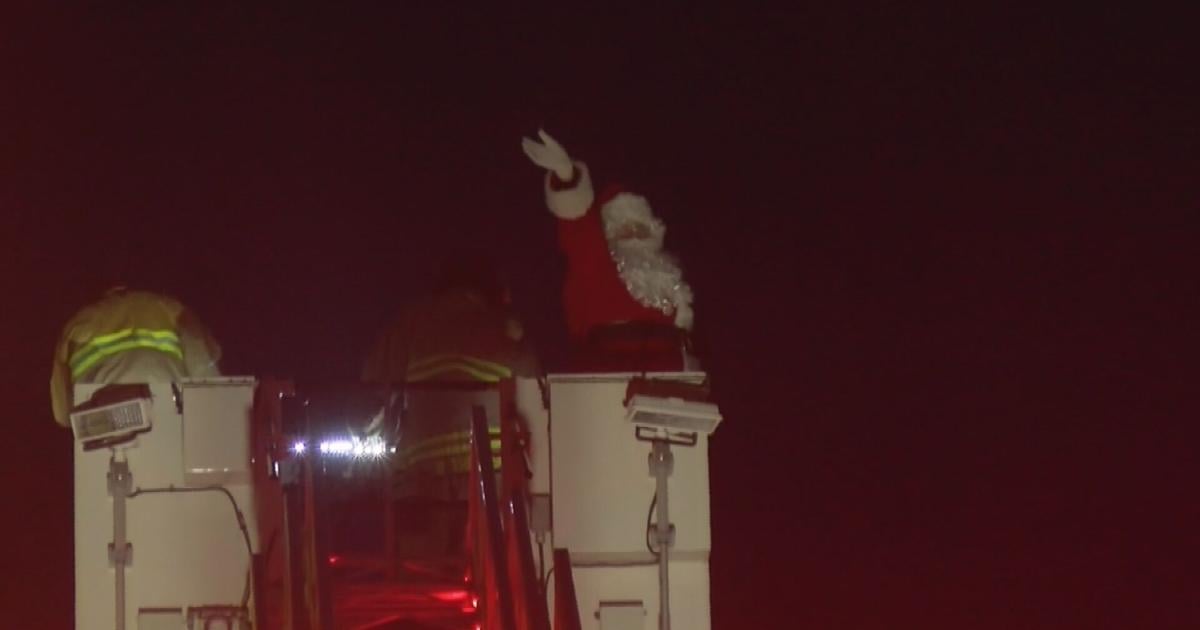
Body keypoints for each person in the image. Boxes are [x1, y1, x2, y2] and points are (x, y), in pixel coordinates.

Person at [362, 258, 539, 563]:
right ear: (495, 290)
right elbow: (536, 381)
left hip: (423, 479)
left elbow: (371, 383)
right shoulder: (505, 325)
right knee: (493, 568)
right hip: (490, 479)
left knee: (425, 575)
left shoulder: (410, 322)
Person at [522, 129, 697, 371]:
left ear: (654, 232)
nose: (634, 236)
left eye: (640, 229)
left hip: (668, 389)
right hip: (605, 380)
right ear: (609, 236)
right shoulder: (596, 266)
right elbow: (578, 229)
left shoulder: (671, 281)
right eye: (625, 230)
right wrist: (567, 177)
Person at [50, 286, 222, 427]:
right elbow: (205, 372)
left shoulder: (76, 325)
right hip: (168, 412)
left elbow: (62, 415)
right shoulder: (171, 309)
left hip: (102, 424)